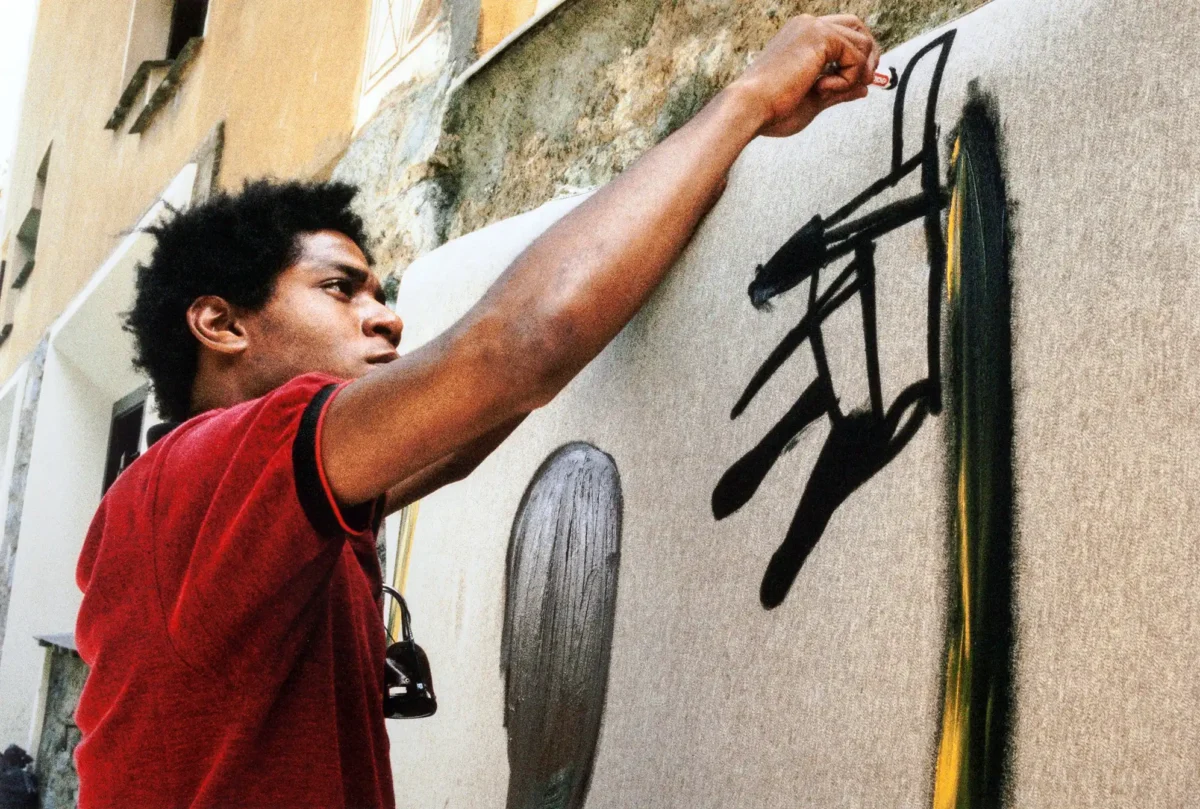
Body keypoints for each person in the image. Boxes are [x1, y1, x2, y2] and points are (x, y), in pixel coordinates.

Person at [74, 13, 881, 809]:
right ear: (221, 324)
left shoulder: (234, 508)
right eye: (339, 288)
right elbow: (518, 349)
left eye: (380, 293)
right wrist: (748, 99)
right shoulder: (203, 473)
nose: (386, 318)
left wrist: (688, 189)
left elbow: (461, 437)